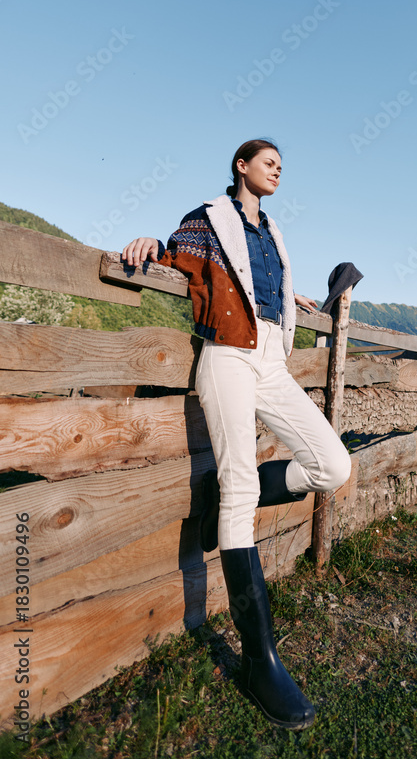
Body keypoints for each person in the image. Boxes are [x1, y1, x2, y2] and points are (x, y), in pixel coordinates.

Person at [121, 138, 351, 731]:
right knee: (243, 488)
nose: (278, 168)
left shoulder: (273, 233)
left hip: (270, 359)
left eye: (282, 164)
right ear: (241, 167)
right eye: (267, 160)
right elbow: (178, 255)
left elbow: (260, 291)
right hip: (226, 356)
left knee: (333, 465)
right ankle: (259, 661)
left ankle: (223, 499)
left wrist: (291, 302)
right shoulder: (208, 219)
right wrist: (151, 242)